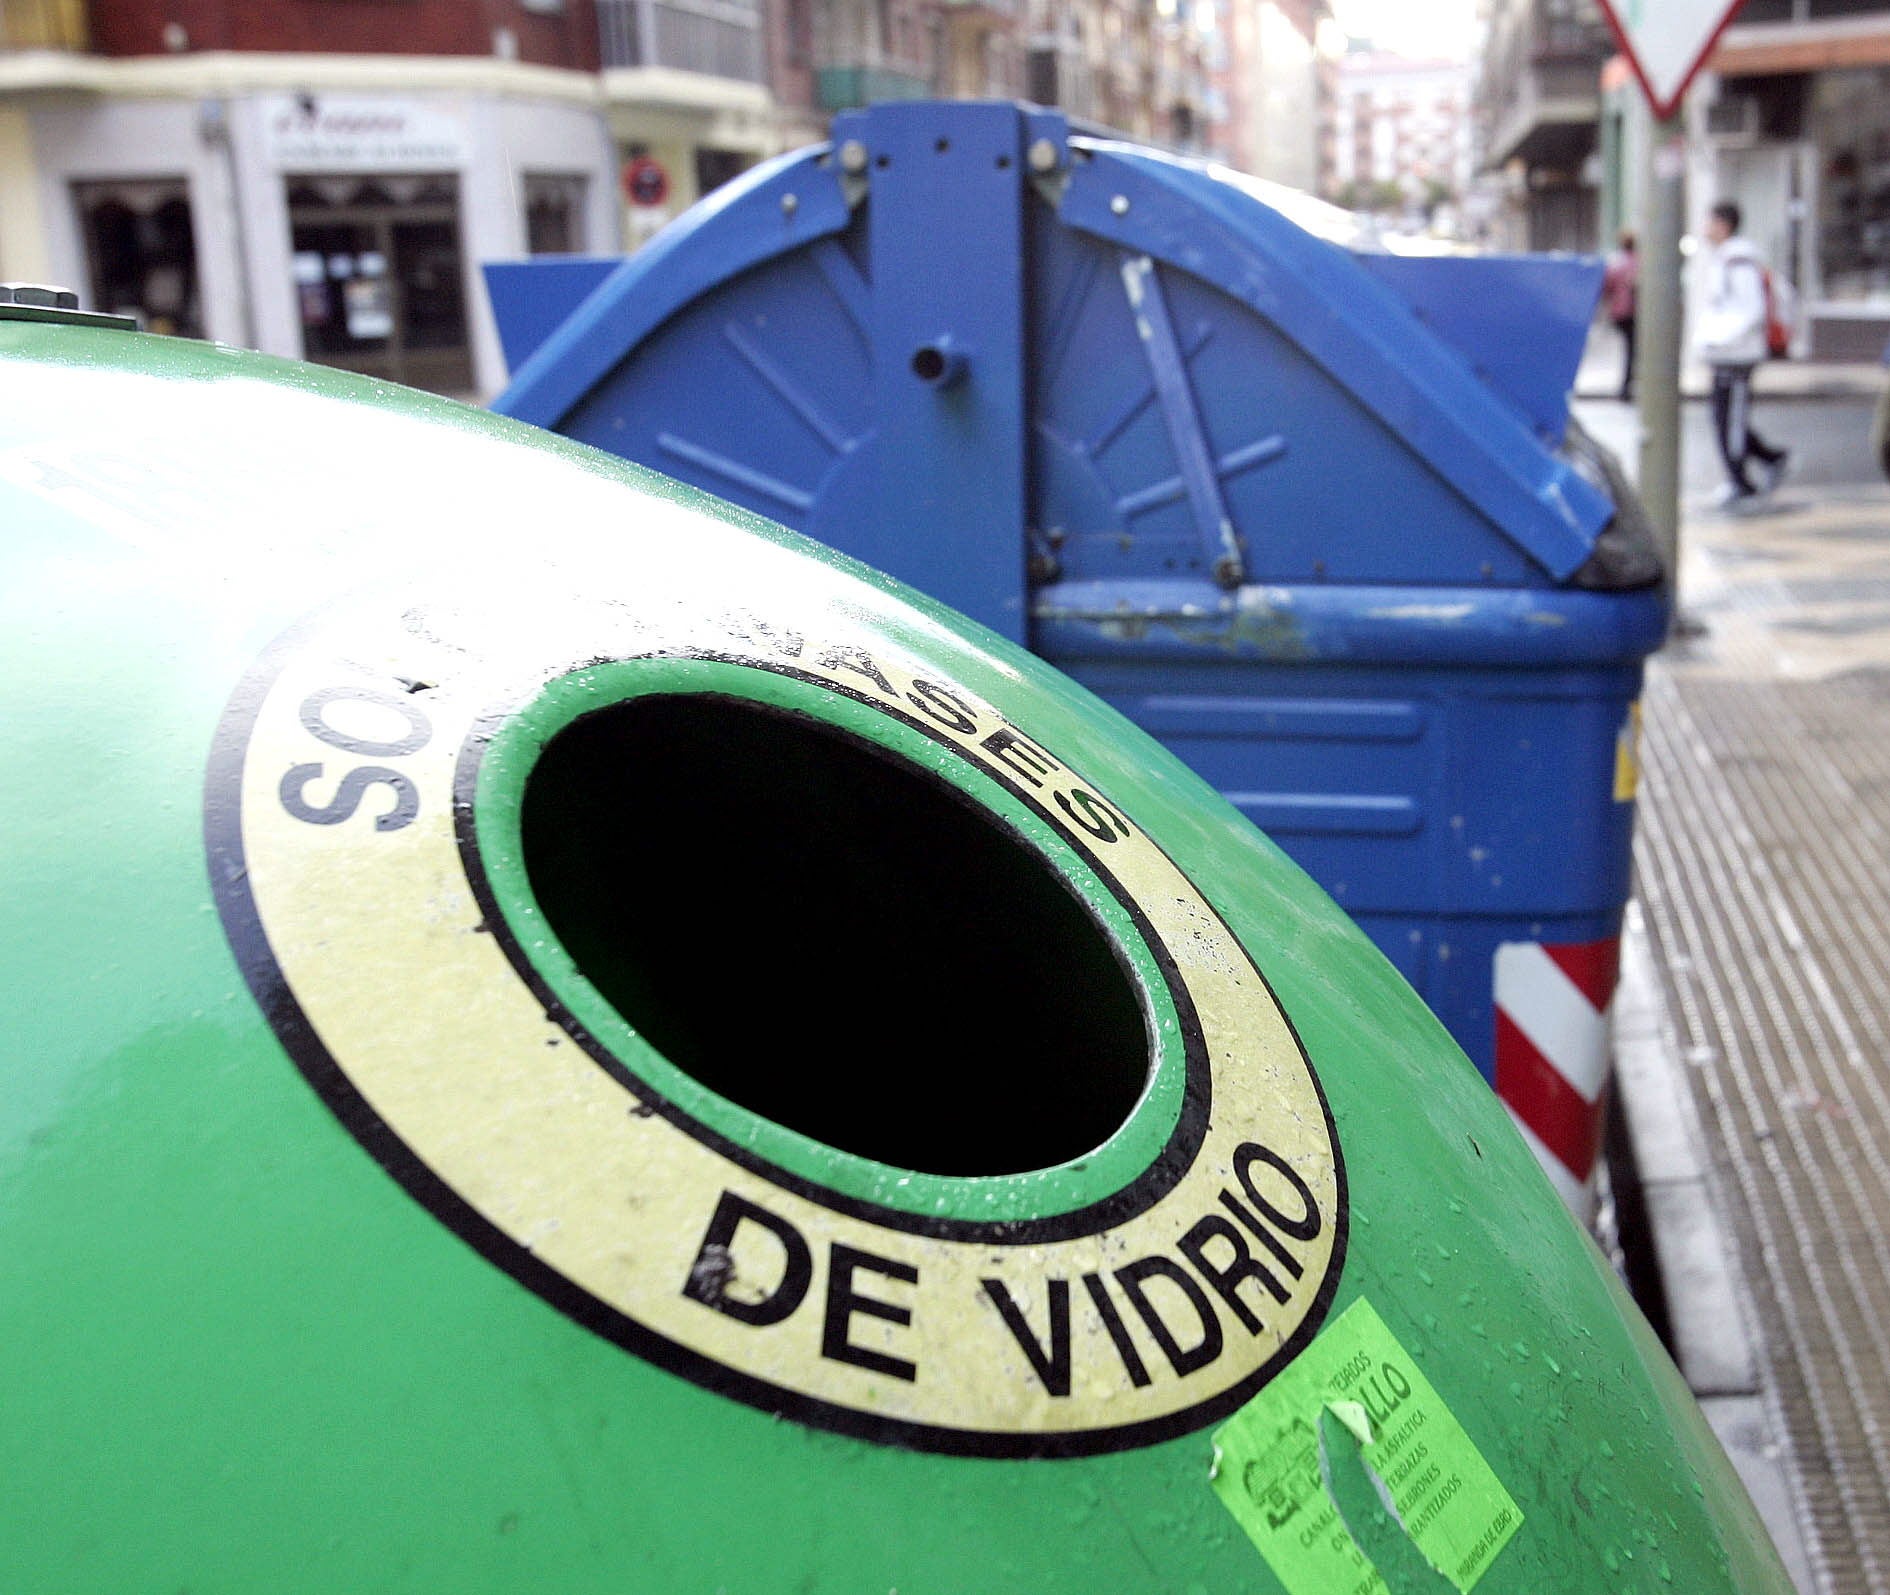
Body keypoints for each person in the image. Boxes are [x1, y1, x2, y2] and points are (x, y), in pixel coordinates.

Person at [1695, 200, 1789, 507]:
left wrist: (1718, 340)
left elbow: (1751, 310)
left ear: (1723, 225)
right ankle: (1769, 459)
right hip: (1726, 354)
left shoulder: (1738, 261)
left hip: (1737, 355)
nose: (1704, 228)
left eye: (1709, 221)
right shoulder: (1725, 258)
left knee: (1731, 421)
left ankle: (1740, 481)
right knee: (1723, 418)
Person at [1603, 230, 1639, 400]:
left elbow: (1607, 287)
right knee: (1632, 350)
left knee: (1629, 349)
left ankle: (1626, 385)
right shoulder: (1639, 262)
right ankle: (1627, 386)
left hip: (1620, 312)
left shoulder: (1616, 263)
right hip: (1634, 312)